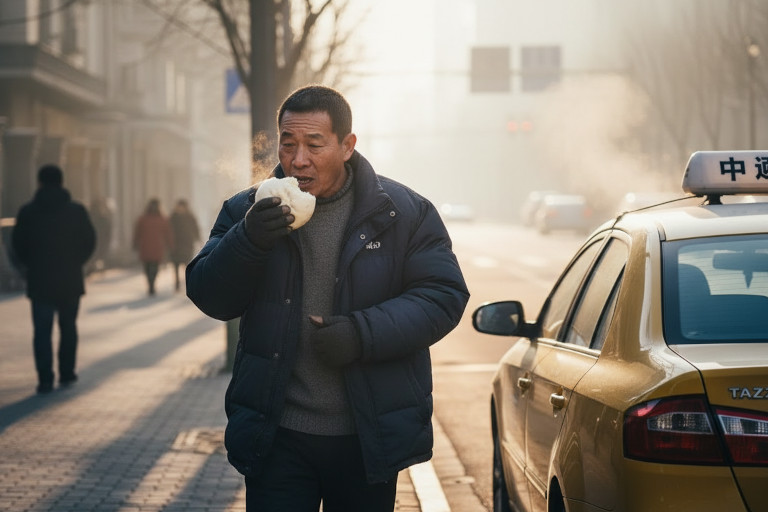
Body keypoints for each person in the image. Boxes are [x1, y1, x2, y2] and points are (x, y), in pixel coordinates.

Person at [186, 85, 469, 511]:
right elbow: (209, 295)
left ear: (347, 146)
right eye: (288, 144)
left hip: (367, 437)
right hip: (276, 435)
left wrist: (361, 334)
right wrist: (249, 239)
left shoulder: (403, 213)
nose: (298, 159)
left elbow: (443, 296)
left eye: (314, 145)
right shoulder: (249, 210)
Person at [11, 164, 96, 394]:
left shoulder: (28, 211)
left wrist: (29, 266)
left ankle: (45, 379)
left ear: (39, 182)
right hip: (70, 279)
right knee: (68, 328)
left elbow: (17, 244)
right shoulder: (76, 211)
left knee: (42, 331)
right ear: (62, 182)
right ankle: (67, 373)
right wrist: (77, 261)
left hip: (40, 280)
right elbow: (90, 241)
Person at [133, 198, 173, 296]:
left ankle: (151, 284)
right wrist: (170, 245)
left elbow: (137, 233)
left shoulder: (143, 219)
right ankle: (152, 284)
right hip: (157, 246)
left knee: (148, 267)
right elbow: (168, 234)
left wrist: (135, 243)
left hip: (146, 246)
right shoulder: (162, 219)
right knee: (154, 267)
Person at [168, 199, 200, 291]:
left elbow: (195, 228)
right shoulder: (173, 217)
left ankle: (188, 284)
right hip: (176, 245)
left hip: (187, 244)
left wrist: (197, 238)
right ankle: (177, 284)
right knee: (176, 265)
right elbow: (168, 230)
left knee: (187, 265)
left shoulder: (190, 217)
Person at [88, 196, 113, 274]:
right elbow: (107, 233)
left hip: (95, 244)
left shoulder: (89, 217)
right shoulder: (102, 219)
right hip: (98, 244)